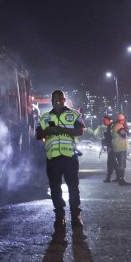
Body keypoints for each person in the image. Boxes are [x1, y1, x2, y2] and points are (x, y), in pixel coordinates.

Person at [35, 90, 85, 228]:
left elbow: (80, 130)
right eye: (55, 101)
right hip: (53, 159)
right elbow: (38, 135)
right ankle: (59, 216)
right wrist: (48, 131)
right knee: (55, 189)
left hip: (69, 157)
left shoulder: (74, 114)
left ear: (64, 100)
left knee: (73, 188)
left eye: (60, 100)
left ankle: (76, 215)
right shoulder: (45, 117)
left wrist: (62, 130)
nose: (58, 103)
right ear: (52, 101)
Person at [111, 114, 131, 185]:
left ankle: (119, 178)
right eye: (123, 120)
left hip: (118, 148)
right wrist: (126, 130)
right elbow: (124, 135)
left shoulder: (116, 126)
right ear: (121, 120)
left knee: (120, 164)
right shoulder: (119, 127)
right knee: (122, 165)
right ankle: (121, 180)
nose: (124, 121)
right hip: (121, 148)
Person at [94, 115, 116, 181]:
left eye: (104, 120)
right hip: (111, 146)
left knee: (111, 162)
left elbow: (111, 138)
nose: (103, 121)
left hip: (112, 147)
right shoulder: (109, 127)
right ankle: (116, 176)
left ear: (108, 120)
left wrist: (109, 146)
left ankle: (112, 177)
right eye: (103, 120)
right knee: (112, 162)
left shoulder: (111, 127)